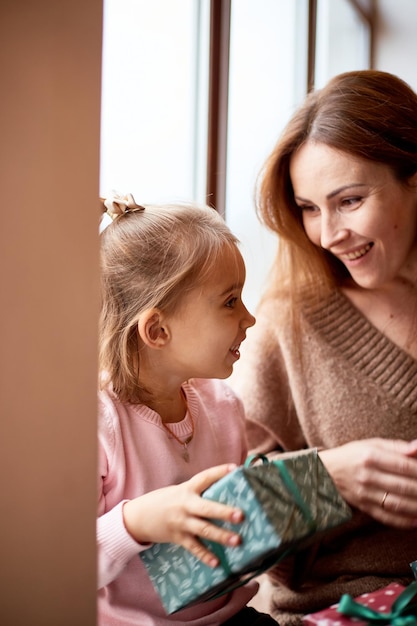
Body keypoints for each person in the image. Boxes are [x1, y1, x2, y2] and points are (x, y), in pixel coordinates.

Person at [230, 70, 417, 625]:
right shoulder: (287, 327)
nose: (328, 233)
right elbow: (205, 541)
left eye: (350, 201)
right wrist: (325, 477)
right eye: (309, 208)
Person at [97, 192, 279, 625]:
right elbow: (57, 567)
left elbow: (233, 536)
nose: (249, 318)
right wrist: (136, 523)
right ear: (157, 329)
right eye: (230, 301)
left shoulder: (223, 406)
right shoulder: (98, 425)